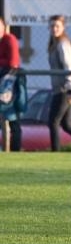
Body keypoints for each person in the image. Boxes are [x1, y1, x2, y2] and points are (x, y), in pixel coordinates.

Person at [47, 15, 71, 151]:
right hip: (60, 89)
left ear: (63, 27)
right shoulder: (54, 43)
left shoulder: (63, 43)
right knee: (67, 125)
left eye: (57, 26)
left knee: (53, 121)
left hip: (66, 89)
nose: (54, 29)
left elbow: (69, 66)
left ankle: (55, 153)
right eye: (52, 26)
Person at [0, 17, 23, 151]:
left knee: (12, 117)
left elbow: (13, 63)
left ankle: (15, 149)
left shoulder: (10, 39)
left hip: (10, 84)